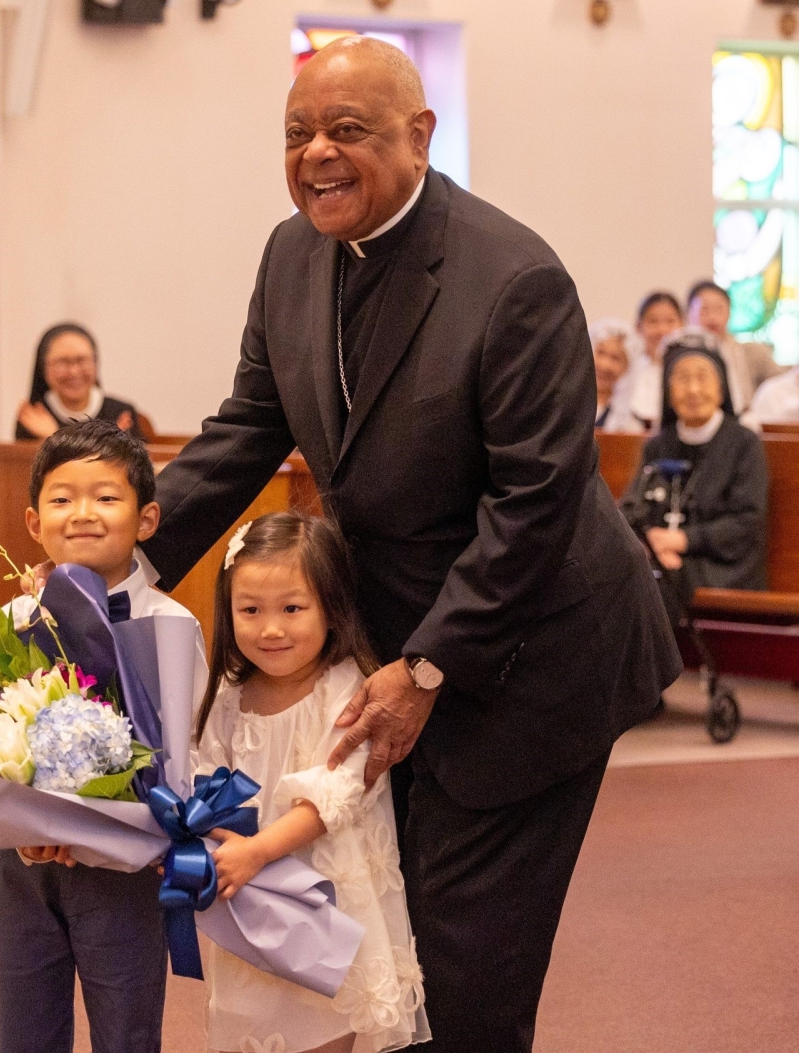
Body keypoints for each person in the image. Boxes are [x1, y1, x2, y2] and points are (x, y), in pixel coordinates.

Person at [140, 37, 680, 1053]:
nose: (316, 156)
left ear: (419, 134)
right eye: (297, 134)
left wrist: (427, 666)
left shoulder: (513, 277)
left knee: (467, 960)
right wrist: (116, 570)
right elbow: (247, 428)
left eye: (347, 131)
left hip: (531, 657)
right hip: (399, 641)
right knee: (392, 936)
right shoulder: (289, 253)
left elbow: (535, 501)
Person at [0, 420, 207, 1053]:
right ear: (34, 523)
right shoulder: (12, 621)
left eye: (107, 497)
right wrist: (23, 829)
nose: (82, 514)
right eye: (61, 499)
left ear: (147, 519)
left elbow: (185, 755)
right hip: (20, 866)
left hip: (123, 872)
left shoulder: (170, 624)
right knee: (24, 1026)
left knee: (127, 1029)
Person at [196, 512, 430, 1053]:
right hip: (252, 902)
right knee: (253, 1023)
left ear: (330, 608)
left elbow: (338, 793)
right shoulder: (228, 698)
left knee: (325, 1026)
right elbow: (203, 776)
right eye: (249, 610)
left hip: (329, 899)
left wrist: (256, 851)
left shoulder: (346, 688)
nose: (270, 628)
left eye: (292, 608)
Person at [621, 332, 768, 596]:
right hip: (664, 559)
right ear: (668, 389)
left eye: (702, 377)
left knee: (658, 584)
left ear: (721, 387)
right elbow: (632, 508)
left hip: (722, 566)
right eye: (682, 378)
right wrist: (652, 544)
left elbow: (746, 521)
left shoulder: (744, 443)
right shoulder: (657, 445)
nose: (693, 389)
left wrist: (683, 540)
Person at [16, 323, 145, 441]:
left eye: (82, 360)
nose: (73, 372)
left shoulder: (120, 413)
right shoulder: (35, 417)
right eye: (62, 362)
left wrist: (53, 436)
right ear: (43, 368)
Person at [685, 280, 784, 415]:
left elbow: (782, 386)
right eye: (705, 310)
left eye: (719, 309)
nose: (713, 317)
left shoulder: (753, 352)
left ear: (729, 312)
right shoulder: (682, 358)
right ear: (689, 313)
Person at [629, 291, 683, 428]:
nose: (662, 330)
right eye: (653, 321)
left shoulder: (686, 371)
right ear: (638, 326)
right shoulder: (628, 370)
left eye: (670, 321)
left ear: (682, 325)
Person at [590, 319, 642, 431]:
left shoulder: (628, 420)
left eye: (615, 358)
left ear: (627, 367)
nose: (605, 365)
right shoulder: (564, 404)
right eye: (600, 352)